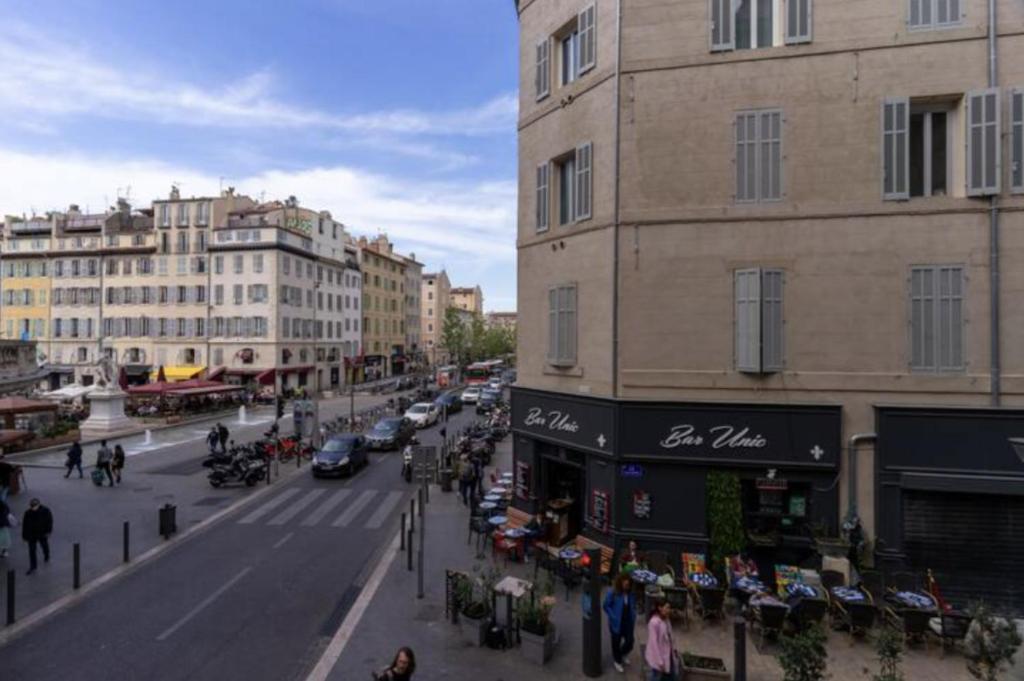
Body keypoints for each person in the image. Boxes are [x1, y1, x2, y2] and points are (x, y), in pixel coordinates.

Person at [603, 573, 638, 673]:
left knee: (630, 641)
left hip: (628, 621)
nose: (627, 587)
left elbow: (633, 605)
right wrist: (612, 616)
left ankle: (621, 654)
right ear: (621, 583)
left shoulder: (631, 594)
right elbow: (606, 606)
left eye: (628, 585)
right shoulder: (613, 593)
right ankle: (617, 660)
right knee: (616, 642)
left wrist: (634, 613)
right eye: (625, 585)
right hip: (617, 622)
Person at [644, 598, 674, 681]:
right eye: (667, 607)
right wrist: (660, 661)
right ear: (660, 608)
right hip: (659, 659)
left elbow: (670, 636)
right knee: (656, 677)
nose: (669, 610)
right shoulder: (654, 623)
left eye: (669, 608)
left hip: (667, 655)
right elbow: (654, 644)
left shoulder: (666, 620)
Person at [21, 498, 53, 575]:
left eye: (34, 506)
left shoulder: (45, 511)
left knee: (44, 545)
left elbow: (50, 521)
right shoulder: (28, 513)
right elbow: (25, 525)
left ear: (38, 505)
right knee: (32, 550)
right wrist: (24, 536)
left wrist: (48, 531)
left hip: (42, 533)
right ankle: (33, 566)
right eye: (32, 506)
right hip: (31, 535)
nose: (33, 508)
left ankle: (46, 555)